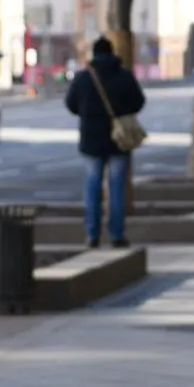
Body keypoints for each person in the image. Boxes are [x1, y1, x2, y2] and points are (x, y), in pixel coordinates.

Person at [65, 37, 147, 249]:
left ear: (94, 53)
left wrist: (88, 113)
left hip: (91, 140)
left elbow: (71, 104)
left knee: (92, 186)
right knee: (116, 187)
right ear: (112, 53)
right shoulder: (125, 76)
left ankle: (92, 235)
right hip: (119, 139)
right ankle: (117, 235)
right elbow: (139, 102)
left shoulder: (84, 78)